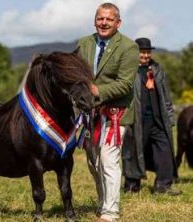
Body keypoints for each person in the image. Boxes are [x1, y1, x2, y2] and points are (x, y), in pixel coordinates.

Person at [77, 3, 139, 222]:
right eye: (100, 18)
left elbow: (125, 84)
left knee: (108, 160)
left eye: (109, 19)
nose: (104, 23)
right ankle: (103, 202)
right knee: (93, 163)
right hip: (90, 113)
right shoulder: (84, 43)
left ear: (118, 22)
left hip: (116, 113)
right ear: (95, 20)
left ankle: (110, 213)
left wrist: (96, 90)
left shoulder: (129, 47)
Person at [122, 37, 182, 196]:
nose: (146, 55)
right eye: (142, 52)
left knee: (165, 150)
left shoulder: (157, 69)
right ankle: (131, 186)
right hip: (137, 119)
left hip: (158, 119)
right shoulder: (129, 70)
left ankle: (163, 186)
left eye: (148, 52)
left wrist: (169, 117)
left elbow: (166, 95)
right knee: (134, 151)